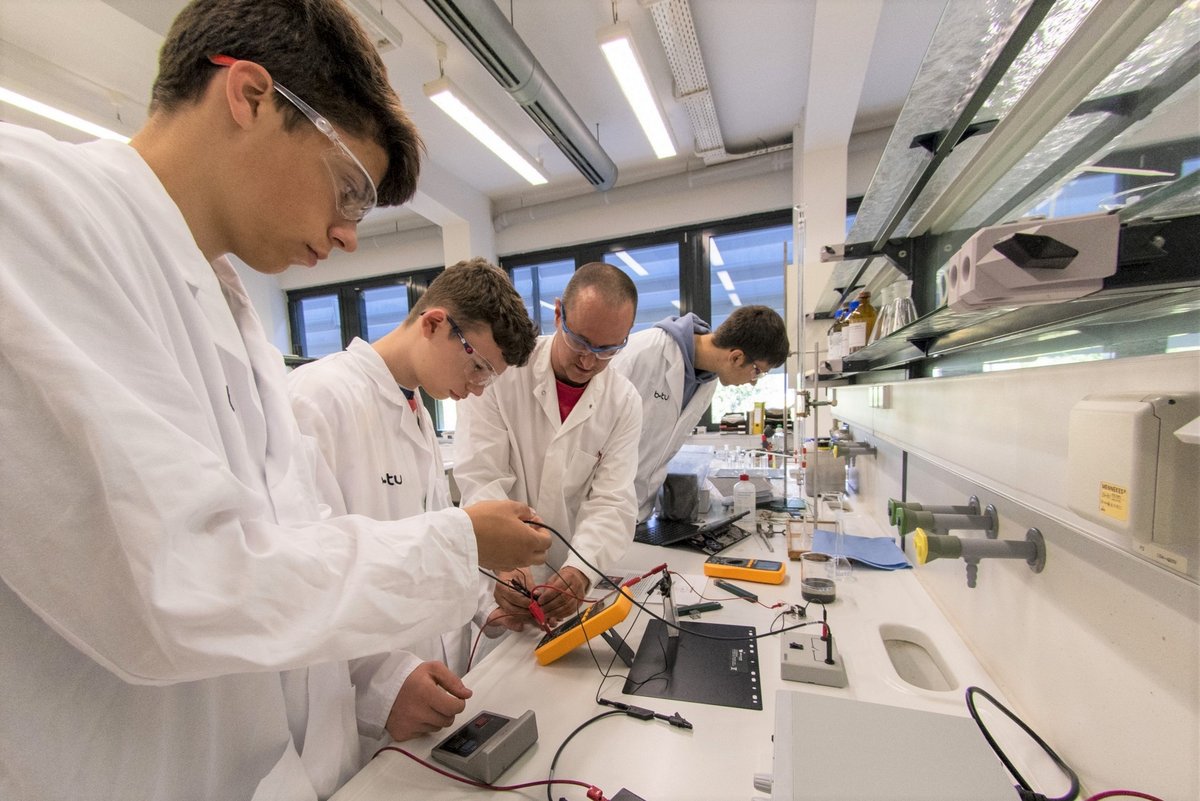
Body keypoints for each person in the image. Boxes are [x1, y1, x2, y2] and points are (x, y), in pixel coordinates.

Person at [0, 1, 551, 799]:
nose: (350, 234)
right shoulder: (36, 209)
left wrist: (385, 671)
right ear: (251, 96)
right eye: (348, 188)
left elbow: (303, 544)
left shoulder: (224, 305)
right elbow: (183, 580)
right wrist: (457, 544)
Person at [287, 258, 538, 758]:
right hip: (356, 716)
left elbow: (420, 549)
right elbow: (302, 579)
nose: (476, 389)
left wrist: (490, 602)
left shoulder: (416, 410)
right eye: (478, 367)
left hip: (429, 698)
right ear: (433, 323)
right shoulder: (317, 400)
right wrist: (381, 687)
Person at [453, 262, 643, 628]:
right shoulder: (502, 372)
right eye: (580, 342)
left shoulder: (623, 402)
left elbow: (612, 501)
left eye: (607, 350)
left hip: (566, 577)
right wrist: (505, 559)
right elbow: (481, 477)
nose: (589, 361)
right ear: (558, 314)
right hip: (496, 575)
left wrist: (582, 568)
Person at [610, 305, 790, 522]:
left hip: (637, 511)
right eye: (757, 372)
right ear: (736, 357)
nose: (752, 383)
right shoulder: (643, 352)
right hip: (596, 508)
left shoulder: (707, 382)